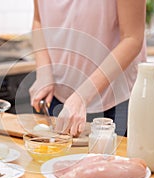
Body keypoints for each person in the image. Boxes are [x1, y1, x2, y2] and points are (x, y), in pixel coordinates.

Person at [29, 0, 147, 137]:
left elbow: (132, 39)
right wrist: (44, 72)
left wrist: (81, 96)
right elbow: (38, 20)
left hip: (114, 102)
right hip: (60, 97)